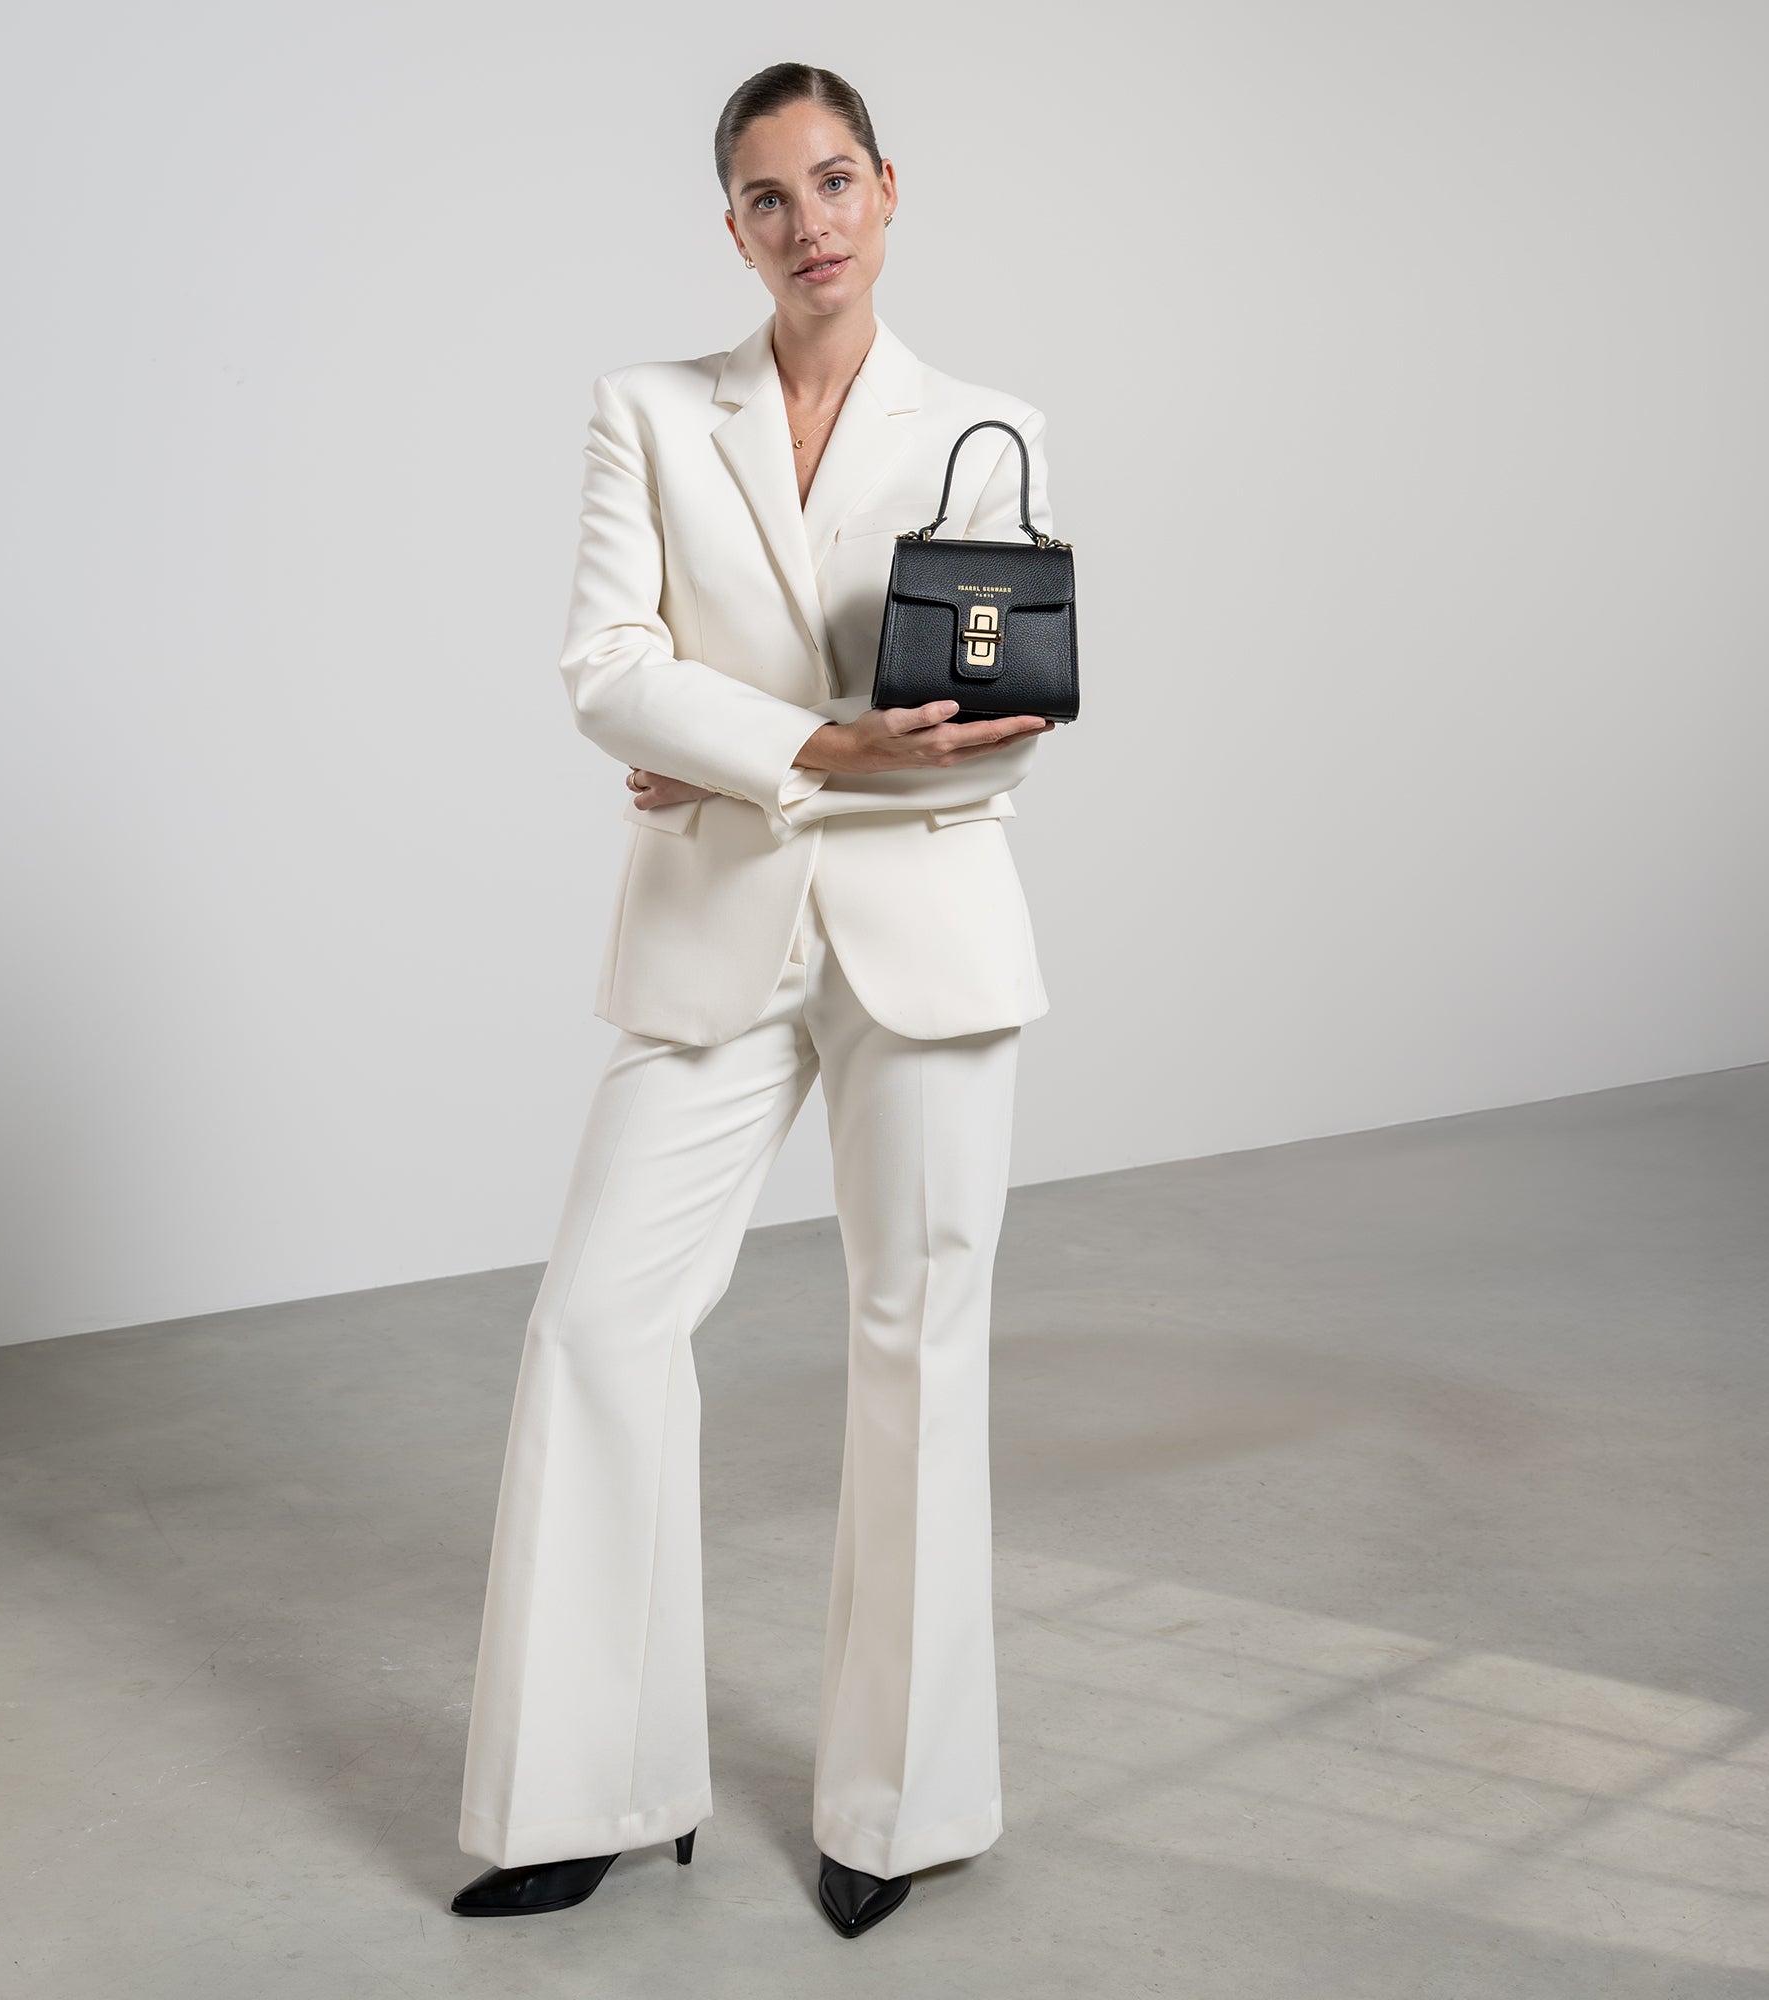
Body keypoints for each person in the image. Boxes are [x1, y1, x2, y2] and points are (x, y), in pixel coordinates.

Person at [450, 61, 1059, 1940]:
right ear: (733, 226)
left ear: (890, 189)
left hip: (927, 941)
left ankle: (903, 1806)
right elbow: (602, 670)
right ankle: (587, 1789)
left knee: (918, 1343)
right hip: (715, 933)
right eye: (771, 197)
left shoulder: (989, 431)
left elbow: (1003, 738)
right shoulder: (649, 411)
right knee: (595, 1323)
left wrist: (731, 754)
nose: (812, 223)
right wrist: (823, 743)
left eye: (837, 180)